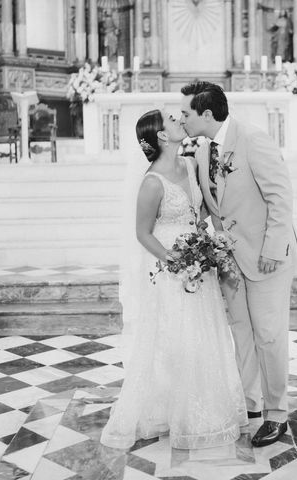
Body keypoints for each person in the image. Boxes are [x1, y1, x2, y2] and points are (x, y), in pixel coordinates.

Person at [100, 109, 247, 450]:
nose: (179, 119)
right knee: (175, 337)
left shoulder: (190, 164)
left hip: (199, 265)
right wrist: (175, 259)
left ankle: (206, 408)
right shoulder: (151, 182)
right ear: (162, 136)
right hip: (170, 271)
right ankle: (171, 409)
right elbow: (142, 233)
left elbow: (200, 213)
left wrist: (210, 242)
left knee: (204, 333)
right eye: (171, 119)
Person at [179, 81, 297, 447]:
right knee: (242, 334)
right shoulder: (201, 151)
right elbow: (211, 204)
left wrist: (272, 249)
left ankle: (276, 413)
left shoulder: (253, 139)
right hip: (229, 260)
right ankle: (252, 404)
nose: (181, 119)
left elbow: (280, 197)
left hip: (267, 257)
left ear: (206, 114)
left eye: (186, 113)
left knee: (269, 334)